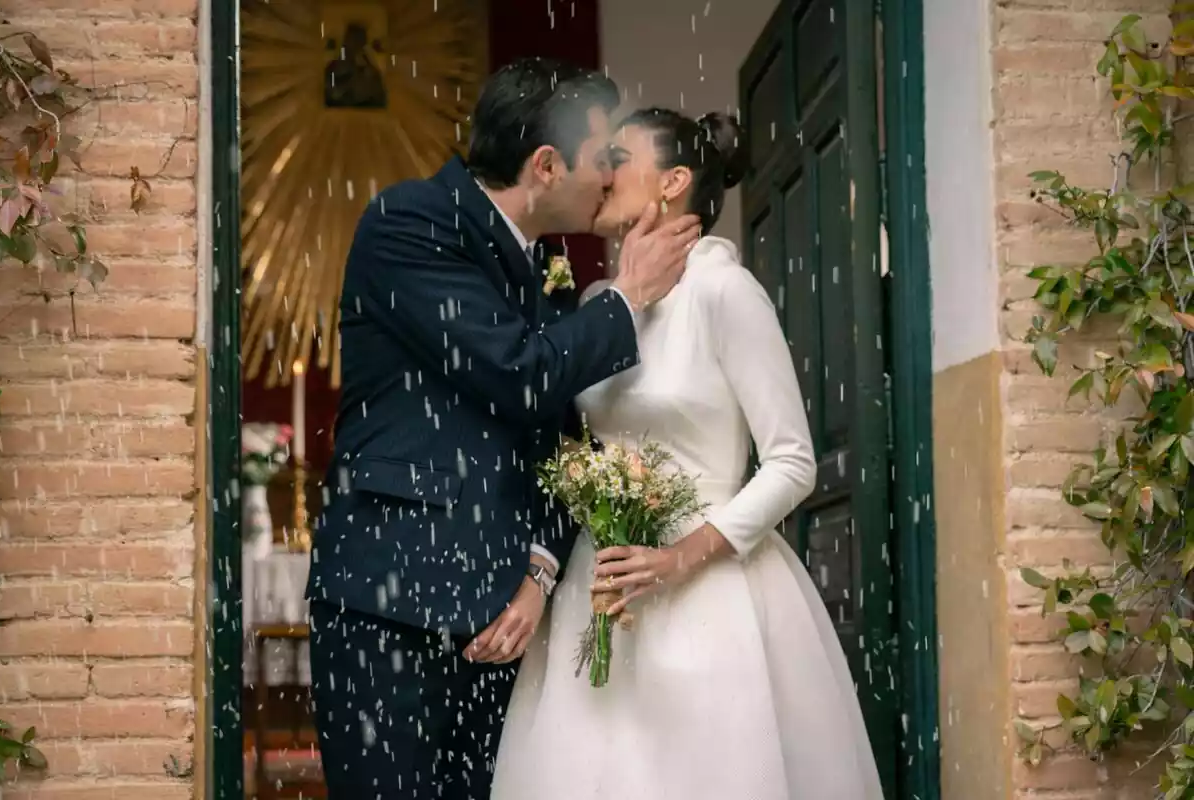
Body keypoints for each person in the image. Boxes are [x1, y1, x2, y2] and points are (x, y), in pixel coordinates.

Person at [304, 63, 702, 798]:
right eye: (601, 158)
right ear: (546, 166)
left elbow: (560, 441)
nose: (610, 175)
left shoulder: (543, 265)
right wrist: (627, 297)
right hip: (392, 611)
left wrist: (540, 574)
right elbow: (518, 373)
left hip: (503, 625)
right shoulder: (409, 222)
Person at [490, 107, 886, 799]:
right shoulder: (596, 301)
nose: (602, 170)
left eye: (621, 155)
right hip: (604, 588)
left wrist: (679, 557)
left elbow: (794, 461)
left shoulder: (724, 291)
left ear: (674, 181)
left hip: (712, 592)